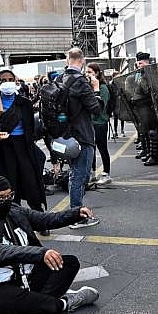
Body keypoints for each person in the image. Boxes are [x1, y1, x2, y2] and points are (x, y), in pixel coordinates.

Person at [0, 175, 99, 314]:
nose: (6, 201)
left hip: (26, 278)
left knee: (69, 264)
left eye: (9, 195)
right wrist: (40, 253)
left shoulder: (14, 211)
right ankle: (65, 303)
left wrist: (76, 214)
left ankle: (27, 310)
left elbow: (45, 220)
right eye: (0, 198)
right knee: (11, 298)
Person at [0, 69, 47, 214]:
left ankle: (39, 216)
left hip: (23, 146)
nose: (8, 83)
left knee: (31, 182)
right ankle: (14, 218)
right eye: (4, 80)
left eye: (10, 79)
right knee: (9, 183)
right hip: (3, 148)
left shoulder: (24, 103)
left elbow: (30, 129)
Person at [61, 48, 103, 229]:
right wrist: (96, 89)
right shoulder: (81, 82)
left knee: (75, 174)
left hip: (66, 135)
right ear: (83, 60)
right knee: (79, 176)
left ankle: (76, 211)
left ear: (68, 60)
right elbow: (96, 109)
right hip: (82, 135)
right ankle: (77, 215)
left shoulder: (60, 79)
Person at [130, 52, 158, 166]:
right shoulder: (142, 74)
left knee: (152, 133)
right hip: (143, 108)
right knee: (147, 132)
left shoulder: (150, 74)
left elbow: (150, 92)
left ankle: (154, 156)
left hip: (149, 107)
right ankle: (149, 154)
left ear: (147, 62)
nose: (139, 65)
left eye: (141, 63)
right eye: (138, 63)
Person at [86, 63, 112, 186]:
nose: (87, 75)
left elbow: (101, 107)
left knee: (102, 148)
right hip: (90, 123)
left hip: (100, 123)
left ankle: (106, 173)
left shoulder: (103, 88)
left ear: (96, 73)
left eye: (90, 72)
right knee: (91, 149)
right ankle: (92, 173)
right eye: (86, 72)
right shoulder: (88, 87)